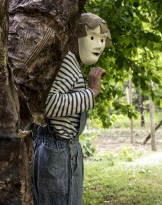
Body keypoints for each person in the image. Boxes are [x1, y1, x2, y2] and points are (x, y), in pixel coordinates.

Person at [31, 12, 111, 205]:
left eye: (101, 39)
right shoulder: (67, 62)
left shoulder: (70, 61)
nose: (99, 45)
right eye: (92, 37)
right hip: (58, 149)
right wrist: (91, 92)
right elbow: (49, 105)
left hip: (59, 149)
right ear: (74, 38)